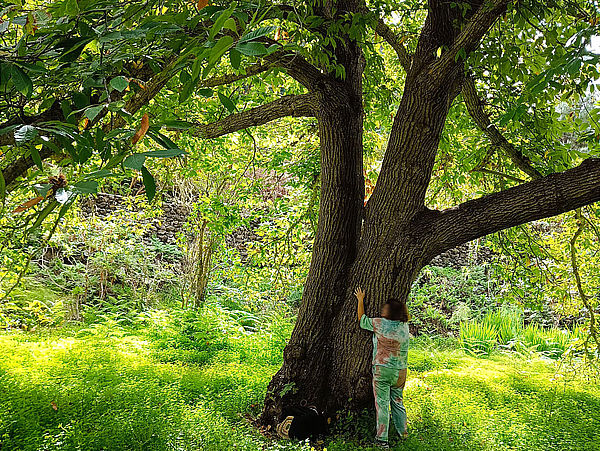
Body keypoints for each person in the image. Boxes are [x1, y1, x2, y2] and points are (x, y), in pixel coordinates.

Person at [355, 286, 410, 449]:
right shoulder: (404, 327)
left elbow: (362, 320)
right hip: (400, 371)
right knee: (398, 403)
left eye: (385, 308)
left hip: (382, 370)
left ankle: (382, 440)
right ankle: (403, 434)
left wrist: (360, 300)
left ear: (390, 312)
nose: (381, 310)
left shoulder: (379, 324)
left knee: (382, 404)